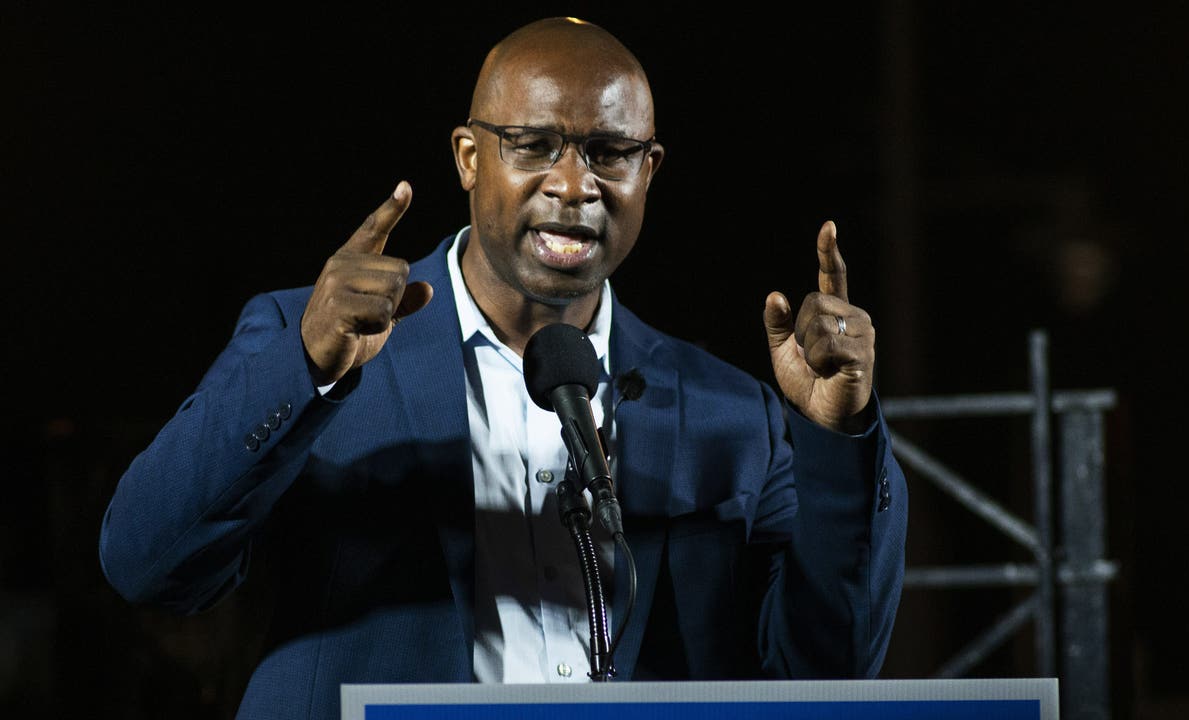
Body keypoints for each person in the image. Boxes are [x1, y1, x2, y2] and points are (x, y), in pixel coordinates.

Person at [98, 16, 908, 720]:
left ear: (648, 171)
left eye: (609, 152)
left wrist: (838, 440)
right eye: (534, 145)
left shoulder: (731, 412)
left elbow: (827, 670)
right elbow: (146, 566)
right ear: (468, 157)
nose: (574, 185)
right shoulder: (316, 341)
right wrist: (306, 366)